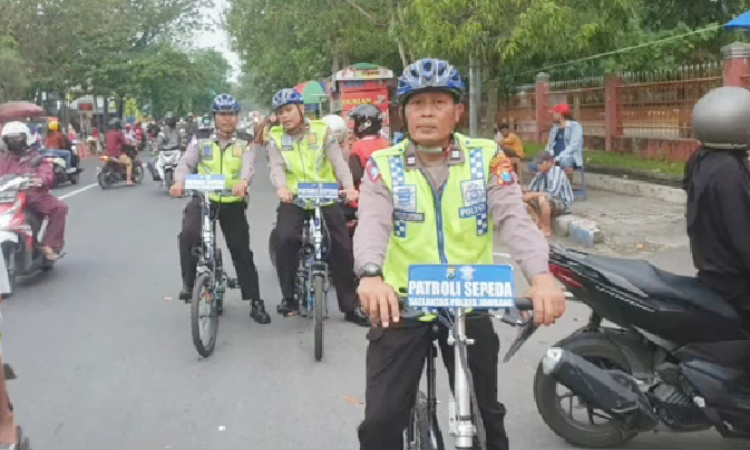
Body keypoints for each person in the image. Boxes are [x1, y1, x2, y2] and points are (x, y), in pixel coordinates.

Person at [354, 58, 566, 450]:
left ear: (458, 111)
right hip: (402, 302)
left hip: (470, 301)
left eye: (439, 102)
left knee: (489, 420)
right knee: (381, 423)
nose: (428, 112)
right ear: (404, 114)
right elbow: (372, 222)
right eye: (417, 104)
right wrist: (370, 274)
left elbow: (514, 220)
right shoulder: (382, 165)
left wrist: (541, 276)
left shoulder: (487, 157)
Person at [267, 88, 369, 326]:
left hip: (325, 195)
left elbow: (338, 163)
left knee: (341, 246)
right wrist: (282, 188)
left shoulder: (322, 131)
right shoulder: (275, 137)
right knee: (284, 239)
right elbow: (276, 167)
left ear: (301, 109)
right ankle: (289, 297)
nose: (285, 116)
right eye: (280, 112)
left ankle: (350, 307)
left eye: (289, 110)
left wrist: (349, 187)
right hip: (295, 197)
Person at [170, 94, 270, 324]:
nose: (227, 119)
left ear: (237, 116)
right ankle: (188, 283)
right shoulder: (201, 138)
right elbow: (186, 162)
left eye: (231, 114)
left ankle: (255, 301)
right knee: (188, 234)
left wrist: (243, 183)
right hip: (204, 198)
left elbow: (248, 167)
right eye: (222, 114)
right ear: (214, 117)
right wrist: (179, 181)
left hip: (232, 201)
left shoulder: (245, 140)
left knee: (241, 250)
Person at [685, 86, 750, 325]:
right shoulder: (729, 172)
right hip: (735, 282)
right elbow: (742, 235)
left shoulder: (699, 159)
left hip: (711, 269)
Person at [0, 122, 68, 261]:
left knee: (60, 208)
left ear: (25, 139)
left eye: (17, 138)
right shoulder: (3, 159)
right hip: (6, 198)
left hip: (33, 196)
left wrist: (41, 179)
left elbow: (46, 172)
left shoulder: (35, 156)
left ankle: (50, 245)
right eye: (10, 139)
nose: (14, 142)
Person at [524, 152, 574, 237]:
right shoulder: (540, 173)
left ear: (550, 162)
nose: (539, 166)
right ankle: (538, 223)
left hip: (561, 202)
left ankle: (547, 229)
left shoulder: (557, 172)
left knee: (542, 199)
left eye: (541, 163)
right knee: (522, 200)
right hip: (546, 200)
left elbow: (552, 193)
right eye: (538, 163)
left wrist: (532, 194)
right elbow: (531, 189)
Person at [533, 103, 583, 180]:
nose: (553, 115)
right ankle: (546, 185)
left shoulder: (575, 126)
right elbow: (549, 145)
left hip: (569, 156)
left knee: (565, 161)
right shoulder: (555, 128)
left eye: (554, 113)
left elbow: (573, 146)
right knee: (535, 163)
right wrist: (548, 156)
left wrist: (558, 158)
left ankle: (566, 187)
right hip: (554, 156)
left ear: (560, 114)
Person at [348, 104, 389, 189]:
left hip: (364, 193)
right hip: (386, 189)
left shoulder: (357, 147)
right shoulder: (386, 144)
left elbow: (356, 176)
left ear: (364, 125)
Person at [105, 119, 134, 185]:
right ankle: (128, 181)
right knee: (129, 163)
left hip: (109, 154)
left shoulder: (108, 133)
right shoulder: (118, 133)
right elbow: (124, 143)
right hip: (117, 154)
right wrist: (130, 144)